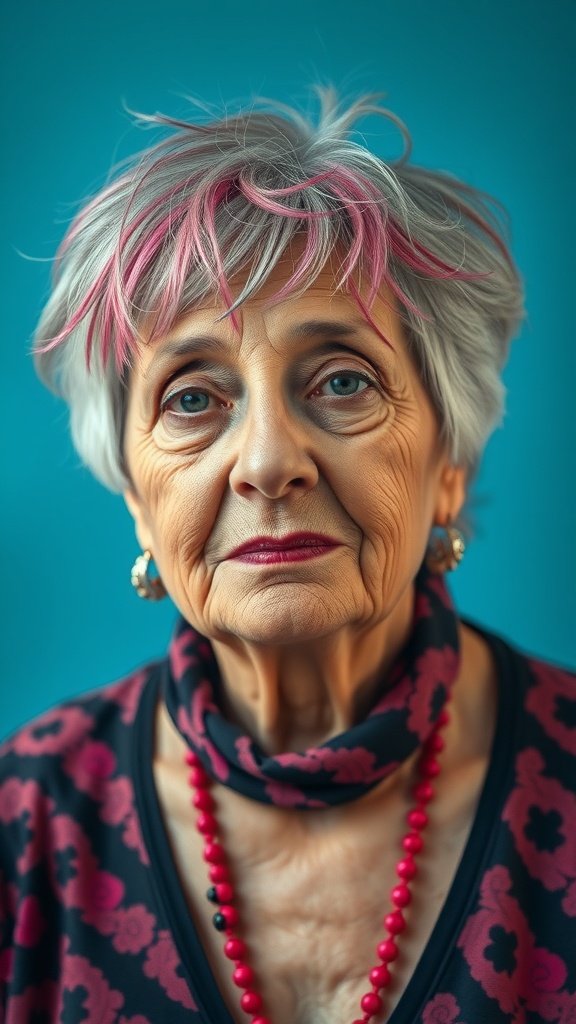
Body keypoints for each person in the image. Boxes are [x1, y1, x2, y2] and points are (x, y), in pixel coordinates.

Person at [1, 88, 574, 1024]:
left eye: (341, 381)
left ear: (450, 468)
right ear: (139, 500)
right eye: (191, 399)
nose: (268, 462)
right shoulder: (24, 822)